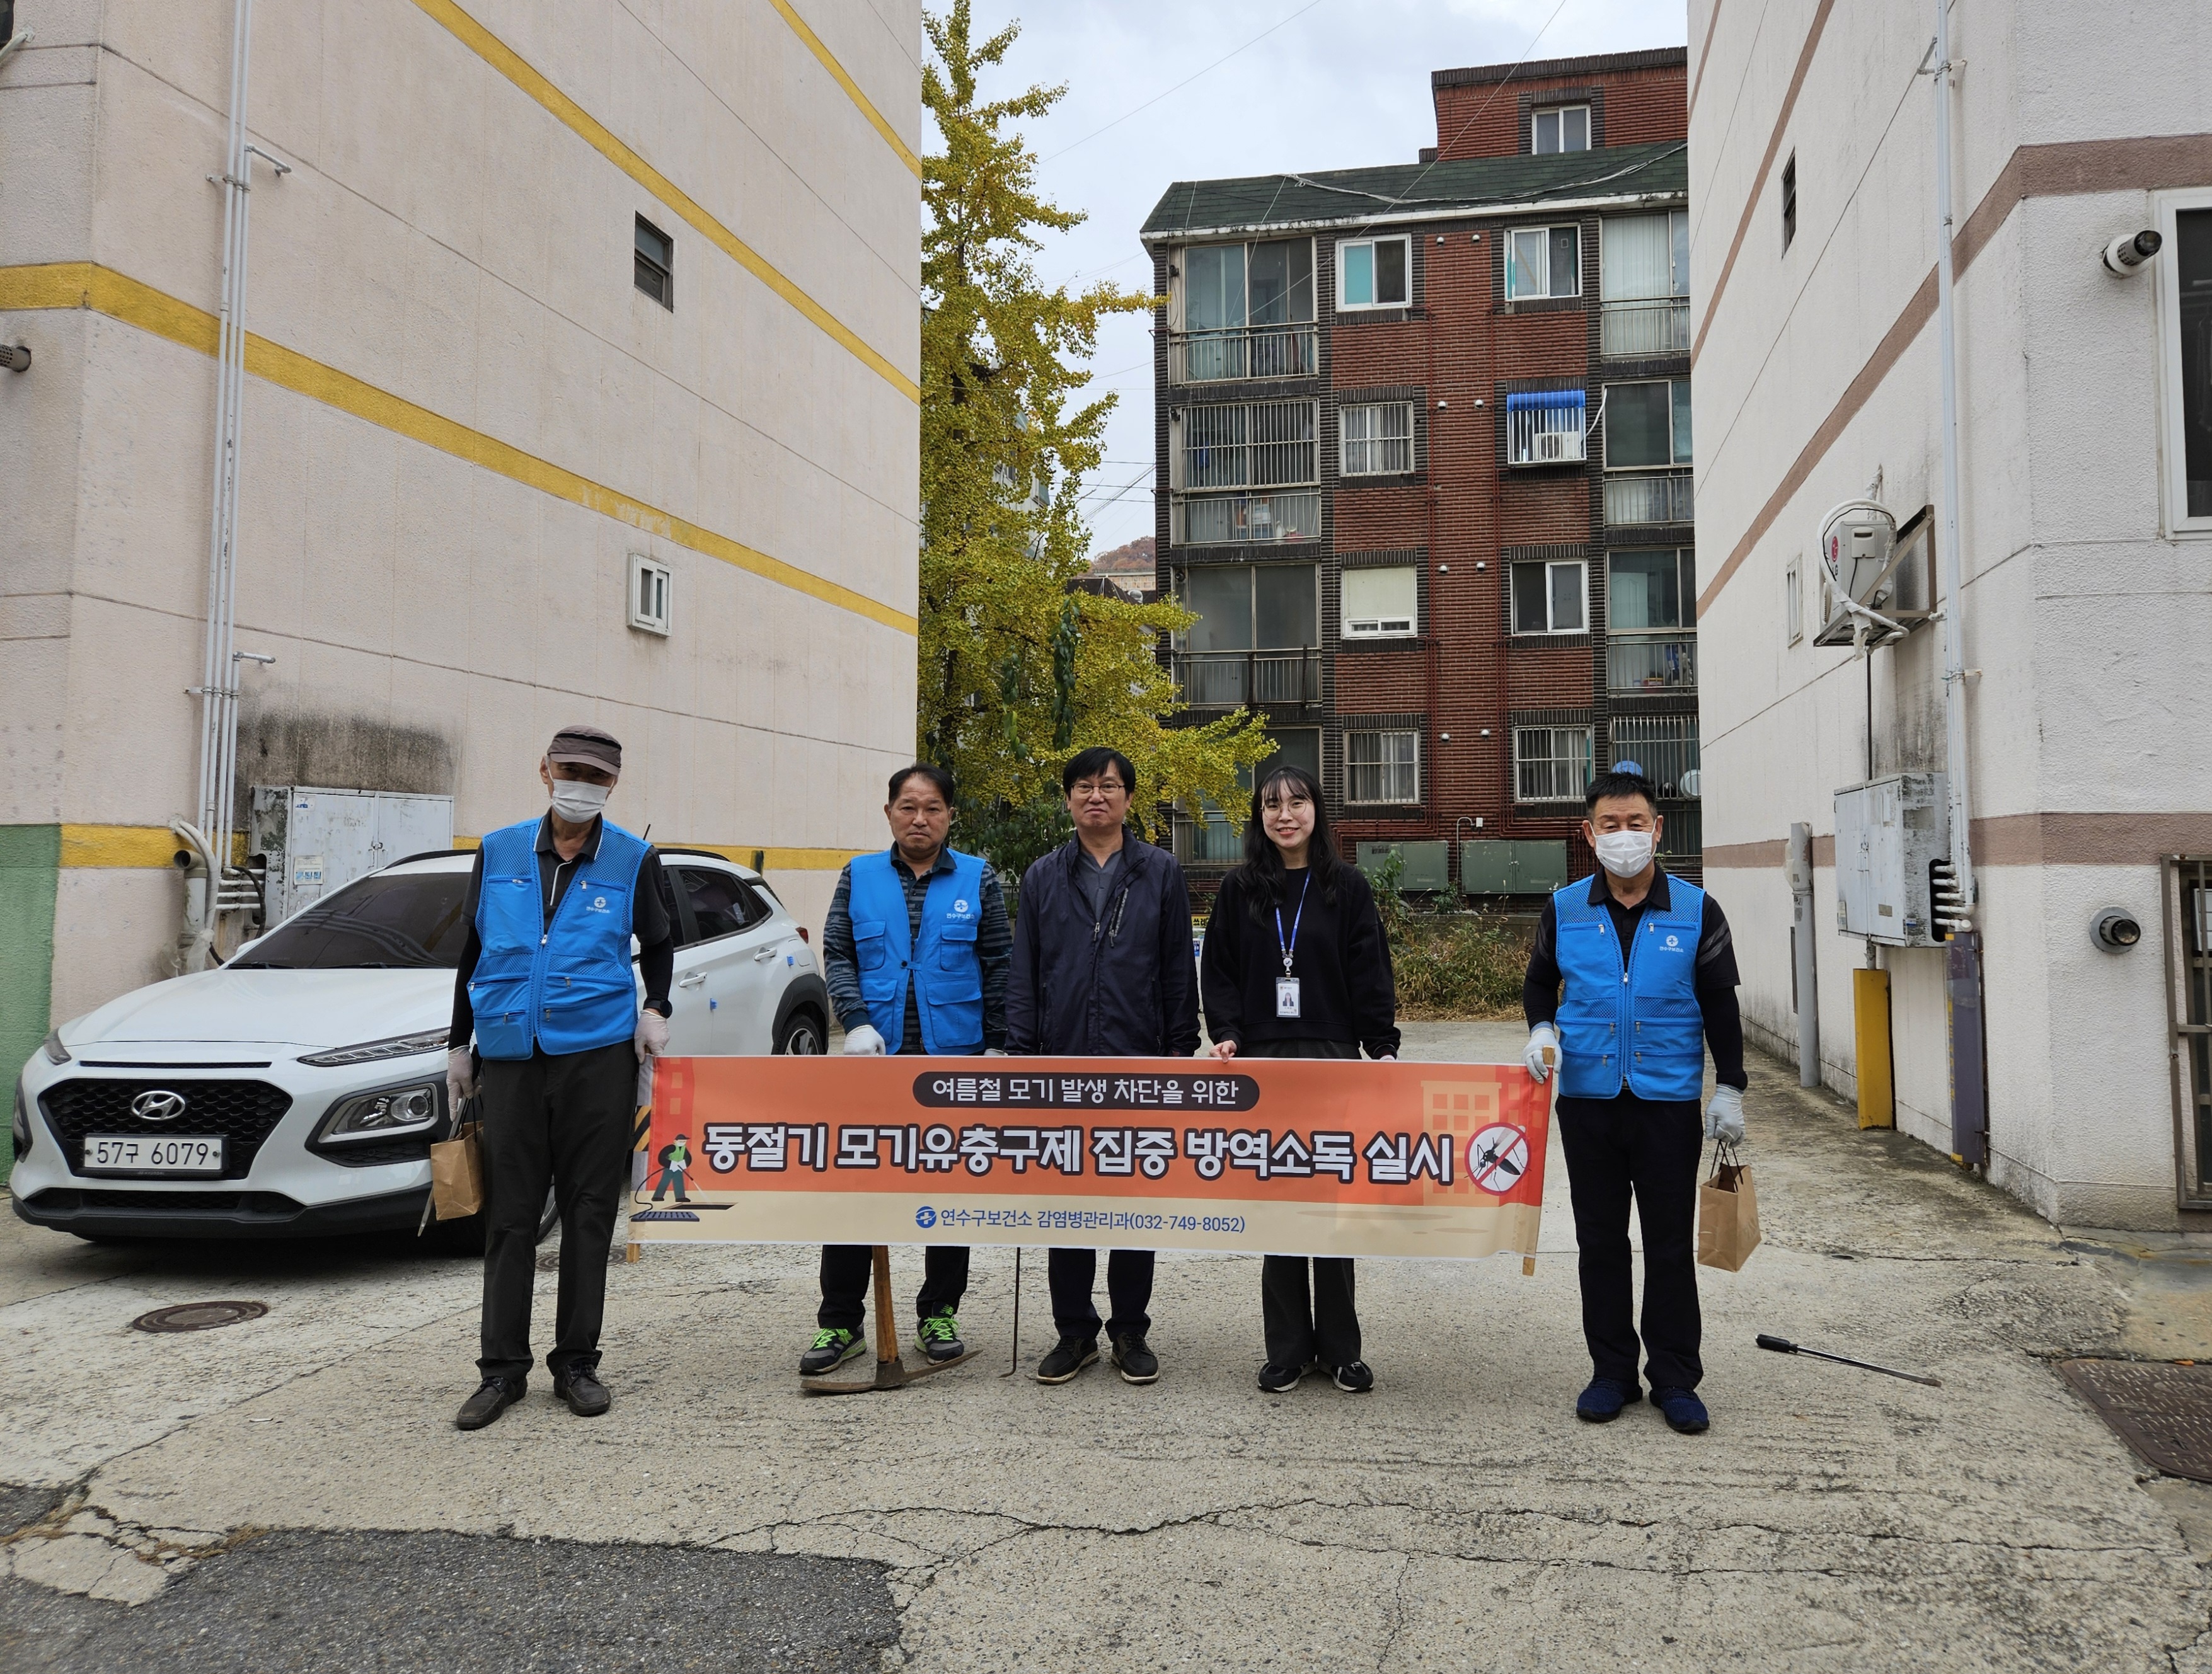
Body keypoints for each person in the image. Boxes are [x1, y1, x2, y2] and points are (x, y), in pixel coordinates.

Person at [445, 724, 676, 1430]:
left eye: (598, 776)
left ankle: (577, 1361)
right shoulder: (500, 849)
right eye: (572, 769)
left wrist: (656, 1008)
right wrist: (460, 1042)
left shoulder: (635, 858)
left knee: (586, 1213)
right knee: (511, 1216)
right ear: (544, 769)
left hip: (598, 1057)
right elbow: (474, 948)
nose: (583, 783)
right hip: (512, 1054)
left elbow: (662, 940)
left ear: (613, 786)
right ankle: (501, 1370)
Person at [1521, 762, 1748, 1436]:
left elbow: (1720, 1005)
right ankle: (1613, 1371)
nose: (1625, 835)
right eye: (1611, 824)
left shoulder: (1697, 908)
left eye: (1637, 822)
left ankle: (1675, 1376)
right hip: (1588, 1102)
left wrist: (1730, 1086)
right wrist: (1539, 1028)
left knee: (1669, 1244)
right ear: (1590, 833)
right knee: (1600, 1241)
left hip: (1667, 1103)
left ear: (1659, 828)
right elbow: (1539, 984)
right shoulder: (1564, 908)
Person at [804, 763, 1011, 1375]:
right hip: (875, 1065)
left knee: (947, 1193)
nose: (920, 818)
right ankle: (840, 1321)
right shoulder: (859, 875)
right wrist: (856, 1017)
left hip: (954, 1064)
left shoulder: (979, 877)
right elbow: (838, 951)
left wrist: (999, 1044)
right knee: (855, 1193)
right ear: (890, 811)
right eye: (908, 806)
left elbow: (1000, 963)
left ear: (950, 815)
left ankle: (939, 1311)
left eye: (933, 808)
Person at [1201, 764, 1398, 1396]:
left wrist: (1382, 1044)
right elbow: (1222, 968)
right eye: (1271, 804)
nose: (1285, 814)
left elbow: (1370, 968)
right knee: (1279, 1201)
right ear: (1258, 817)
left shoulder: (1347, 886)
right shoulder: (1239, 888)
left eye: (1297, 801)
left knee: (1332, 1205)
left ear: (1318, 810)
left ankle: (1341, 1348)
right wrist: (1226, 1028)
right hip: (1262, 1060)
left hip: (1332, 1054)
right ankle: (1286, 1348)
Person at [1007, 746, 1201, 1387]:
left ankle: (1129, 1330)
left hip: (1137, 1058)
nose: (1097, 795)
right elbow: (1025, 973)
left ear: (1128, 798)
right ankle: (1074, 1331)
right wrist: (1021, 1055)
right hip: (1060, 1060)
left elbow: (1178, 967)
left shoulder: (1160, 870)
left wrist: (1179, 1050)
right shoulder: (1041, 876)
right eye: (1085, 786)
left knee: (1131, 1199)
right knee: (1067, 1201)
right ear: (1068, 799)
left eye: (1110, 785)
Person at [652, 1133, 693, 1203]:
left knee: (679, 1182)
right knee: (665, 1181)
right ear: (675, 1141)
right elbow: (661, 1157)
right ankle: (657, 1196)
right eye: (681, 1141)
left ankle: (680, 1197)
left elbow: (688, 1159)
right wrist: (670, 1164)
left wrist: (683, 1164)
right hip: (669, 1168)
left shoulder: (684, 1149)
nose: (682, 1143)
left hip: (679, 1168)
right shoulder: (671, 1148)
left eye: (684, 1142)